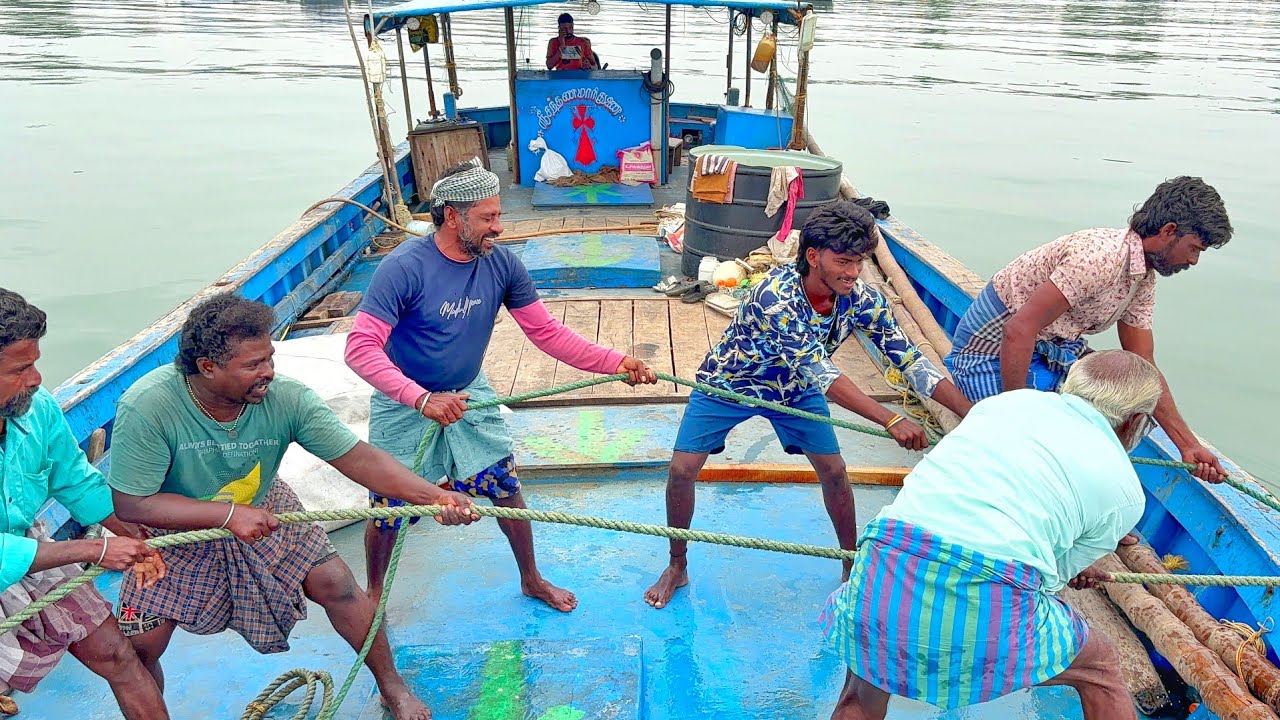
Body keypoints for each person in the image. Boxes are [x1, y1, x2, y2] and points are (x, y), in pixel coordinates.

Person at [106, 293, 479, 720]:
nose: (268, 372)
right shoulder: (149, 406)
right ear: (207, 367)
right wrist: (228, 516)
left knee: (337, 584)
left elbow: (358, 458)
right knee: (139, 645)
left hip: (263, 505)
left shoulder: (286, 397)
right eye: (253, 365)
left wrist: (435, 497)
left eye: (269, 358)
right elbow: (132, 503)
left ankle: (392, 685)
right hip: (174, 528)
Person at [344, 157, 657, 614]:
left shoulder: (502, 264)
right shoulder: (403, 268)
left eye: (499, 215)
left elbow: (547, 333)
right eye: (487, 217)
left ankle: (531, 579)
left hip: (468, 393)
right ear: (452, 216)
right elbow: (359, 348)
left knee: (504, 486)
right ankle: (374, 595)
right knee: (388, 507)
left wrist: (616, 362)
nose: (499, 227)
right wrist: (421, 399)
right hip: (406, 398)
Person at [643, 201, 974, 609]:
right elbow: (825, 375)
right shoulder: (775, 296)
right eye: (843, 261)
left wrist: (973, 413)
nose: (854, 272)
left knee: (834, 471)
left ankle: (851, 565)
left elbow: (909, 359)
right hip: (732, 382)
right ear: (813, 256)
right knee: (681, 470)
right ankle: (677, 564)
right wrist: (890, 420)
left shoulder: (861, 299)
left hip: (795, 389)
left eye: (860, 261)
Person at [822, 350, 1160, 720]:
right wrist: (1071, 568)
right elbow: (1048, 583)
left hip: (886, 558)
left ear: (1071, 386)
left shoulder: (1004, 404)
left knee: (862, 691)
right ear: (1134, 422)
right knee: (1101, 668)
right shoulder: (1127, 492)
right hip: (986, 589)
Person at [944, 175, 1233, 483]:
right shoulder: (1099, 259)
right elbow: (1018, 330)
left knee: (1133, 397)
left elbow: (1144, 364)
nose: (1193, 260)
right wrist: (1016, 414)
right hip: (990, 354)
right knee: (1035, 449)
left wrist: (1188, 445)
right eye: (1193, 248)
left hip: (1053, 349)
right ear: (1168, 231)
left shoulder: (1143, 278)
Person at [0, 288, 168, 719]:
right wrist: (95, 549)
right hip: (13, 554)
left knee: (118, 655)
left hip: (27, 542)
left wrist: (132, 537)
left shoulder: (36, 408)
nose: (36, 379)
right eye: (20, 369)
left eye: (35, 363)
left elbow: (74, 478)